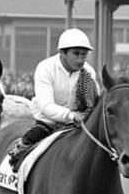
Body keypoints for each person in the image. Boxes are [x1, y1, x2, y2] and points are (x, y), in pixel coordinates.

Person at [8, 28, 100, 170]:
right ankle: (16, 161)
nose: (81, 58)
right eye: (76, 53)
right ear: (62, 53)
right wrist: (71, 116)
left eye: (84, 54)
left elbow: (95, 102)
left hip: (78, 123)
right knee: (34, 136)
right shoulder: (45, 68)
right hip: (47, 122)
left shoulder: (88, 72)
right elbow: (46, 106)